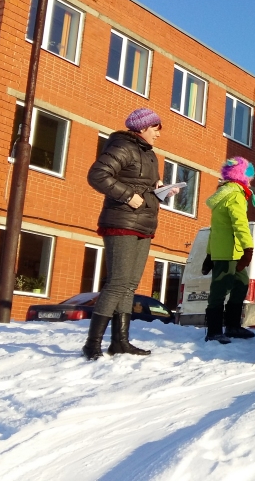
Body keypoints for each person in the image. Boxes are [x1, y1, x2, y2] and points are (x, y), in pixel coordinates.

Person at [83, 108, 177, 360]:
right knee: (117, 283)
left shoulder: (149, 154)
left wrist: (161, 190)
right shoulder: (123, 146)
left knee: (129, 285)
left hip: (144, 224)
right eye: (155, 128)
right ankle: (92, 344)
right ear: (143, 128)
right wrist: (127, 196)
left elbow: (142, 186)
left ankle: (120, 341)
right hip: (121, 221)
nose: (158, 134)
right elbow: (97, 175)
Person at [201, 157, 255, 344]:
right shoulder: (235, 195)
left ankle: (233, 325)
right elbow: (240, 224)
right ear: (241, 176)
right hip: (229, 253)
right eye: (249, 176)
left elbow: (215, 230)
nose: (250, 181)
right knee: (220, 288)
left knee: (241, 283)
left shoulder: (226, 193)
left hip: (229, 251)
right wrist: (248, 248)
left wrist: (209, 253)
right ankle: (214, 330)